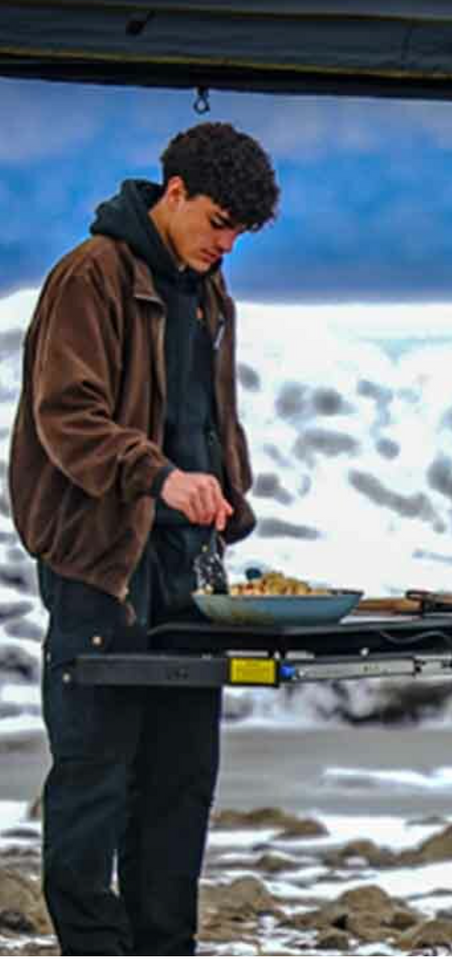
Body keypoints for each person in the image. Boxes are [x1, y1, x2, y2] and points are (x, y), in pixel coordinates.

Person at [8, 121, 278, 955]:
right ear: (174, 193)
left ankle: (165, 946)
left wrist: (230, 496)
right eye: (218, 222)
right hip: (101, 563)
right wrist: (159, 477)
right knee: (96, 774)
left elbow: (203, 417)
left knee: (181, 776)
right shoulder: (90, 276)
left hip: (189, 565)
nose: (226, 244)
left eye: (241, 232)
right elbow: (67, 416)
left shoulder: (209, 288)